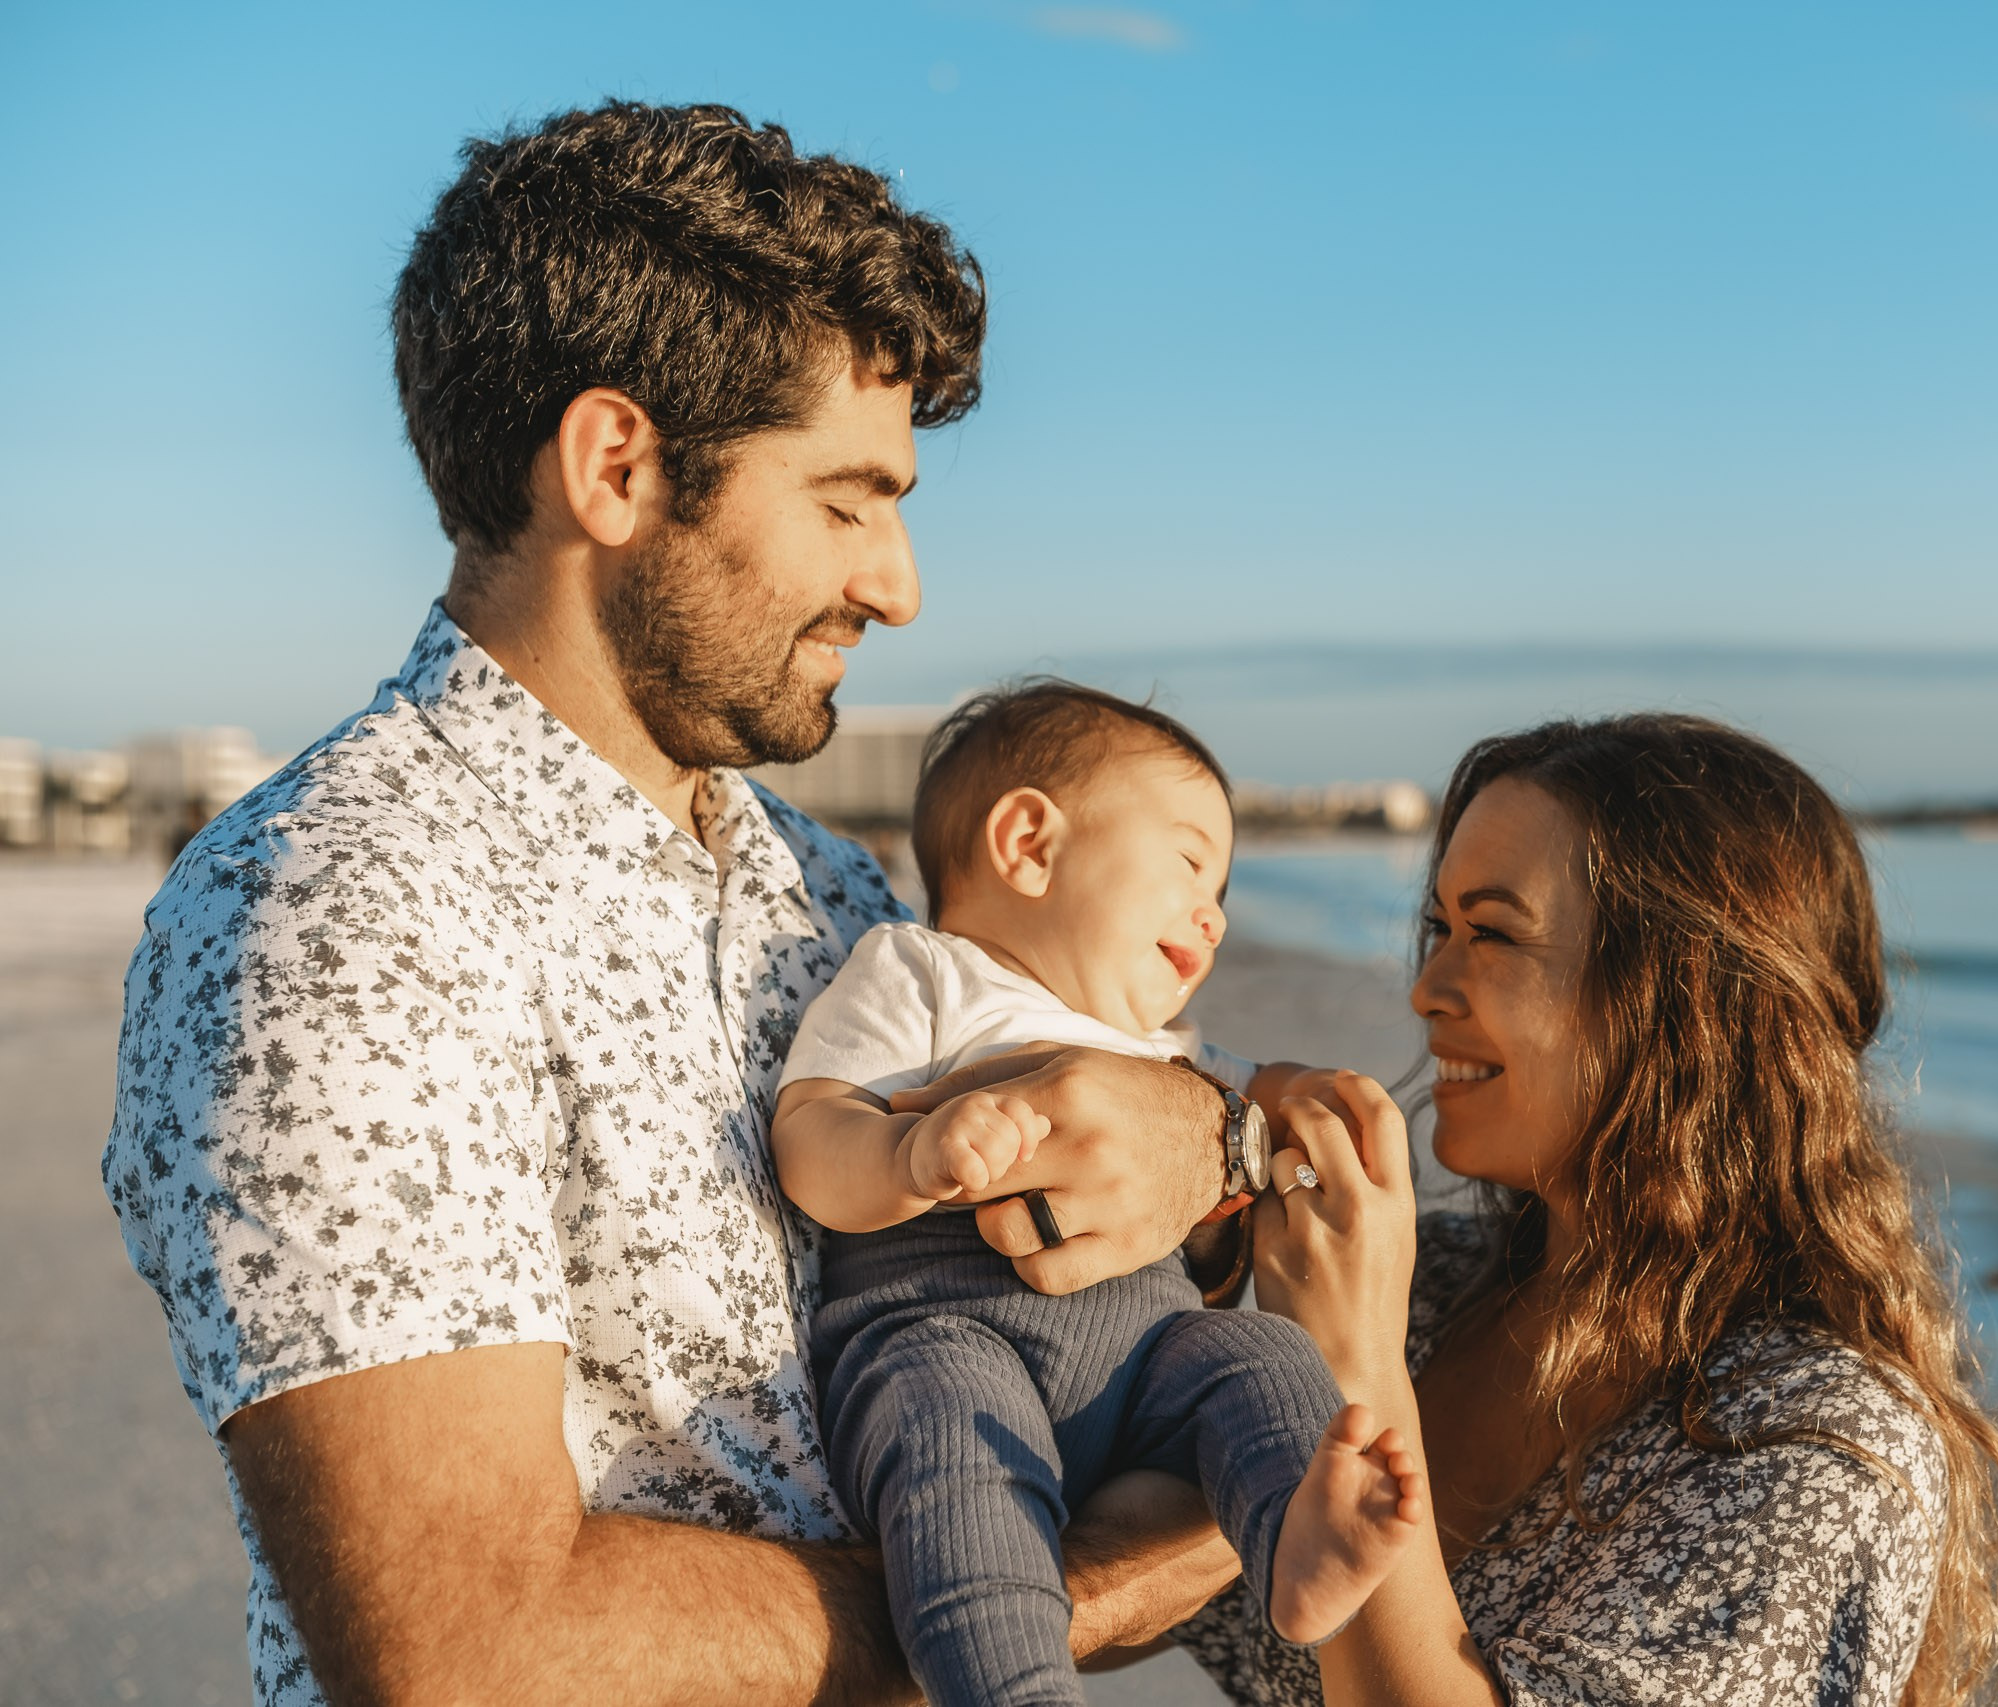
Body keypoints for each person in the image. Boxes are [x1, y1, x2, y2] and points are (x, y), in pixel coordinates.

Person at [102, 102, 1250, 1707]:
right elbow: (470, 1651)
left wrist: (1206, 1128)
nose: (899, 582)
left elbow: (1095, 1153)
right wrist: (1067, 1593)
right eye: (847, 500)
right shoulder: (338, 914)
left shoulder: (827, 886)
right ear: (617, 467)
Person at [1177, 714, 1998, 1706]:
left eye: (1493, 933)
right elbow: (1106, 1574)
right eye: (1439, 928)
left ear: (1691, 1001)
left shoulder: (1817, 1444)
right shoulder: (1432, 1291)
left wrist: (1355, 1374)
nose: (1428, 989)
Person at [771, 680, 1424, 1705]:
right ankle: (1017, 1687)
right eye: (1189, 863)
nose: (1215, 914)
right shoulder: (923, 974)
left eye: (1223, 888)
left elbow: (1256, 1100)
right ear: (1029, 843)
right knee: (955, 1460)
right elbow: (809, 1133)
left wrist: (1312, 1095)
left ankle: (1295, 1534)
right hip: (945, 1334)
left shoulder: (1164, 1046)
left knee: (1260, 1356)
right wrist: (905, 1155)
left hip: (1143, 1366)